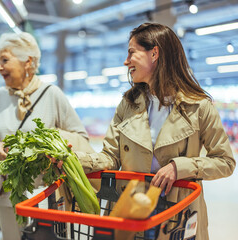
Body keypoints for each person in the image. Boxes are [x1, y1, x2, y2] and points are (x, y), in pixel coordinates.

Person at [75, 23, 236, 240]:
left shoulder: (199, 107)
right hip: (130, 211)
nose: (126, 61)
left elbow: (225, 162)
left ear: (154, 53)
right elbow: (110, 157)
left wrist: (179, 167)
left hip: (177, 218)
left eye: (132, 52)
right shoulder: (128, 104)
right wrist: (74, 160)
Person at [0, 32, 93, 240]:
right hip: (7, 196)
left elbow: (81, 138)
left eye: (4, 60)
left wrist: (52, 143)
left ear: (27, 62)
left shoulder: (52, 94)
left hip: (46, 196)